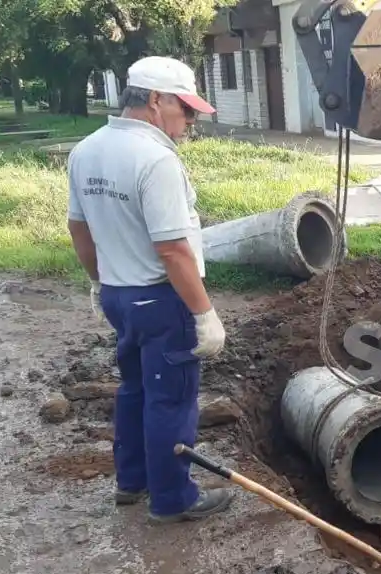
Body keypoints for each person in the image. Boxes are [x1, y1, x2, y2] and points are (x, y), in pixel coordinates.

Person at [65, 56, 232, 523]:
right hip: (161, 300)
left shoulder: (87, 149)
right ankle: (173, 499)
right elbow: (174, 250)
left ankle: (132, 481)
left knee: (135, 390)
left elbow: (78, 229)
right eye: (186, 109)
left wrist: (101, 281)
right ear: (156, 101)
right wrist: (204, 314)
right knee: (172, 401)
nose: (191, 121)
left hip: (120, 295)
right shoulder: (155, 159)